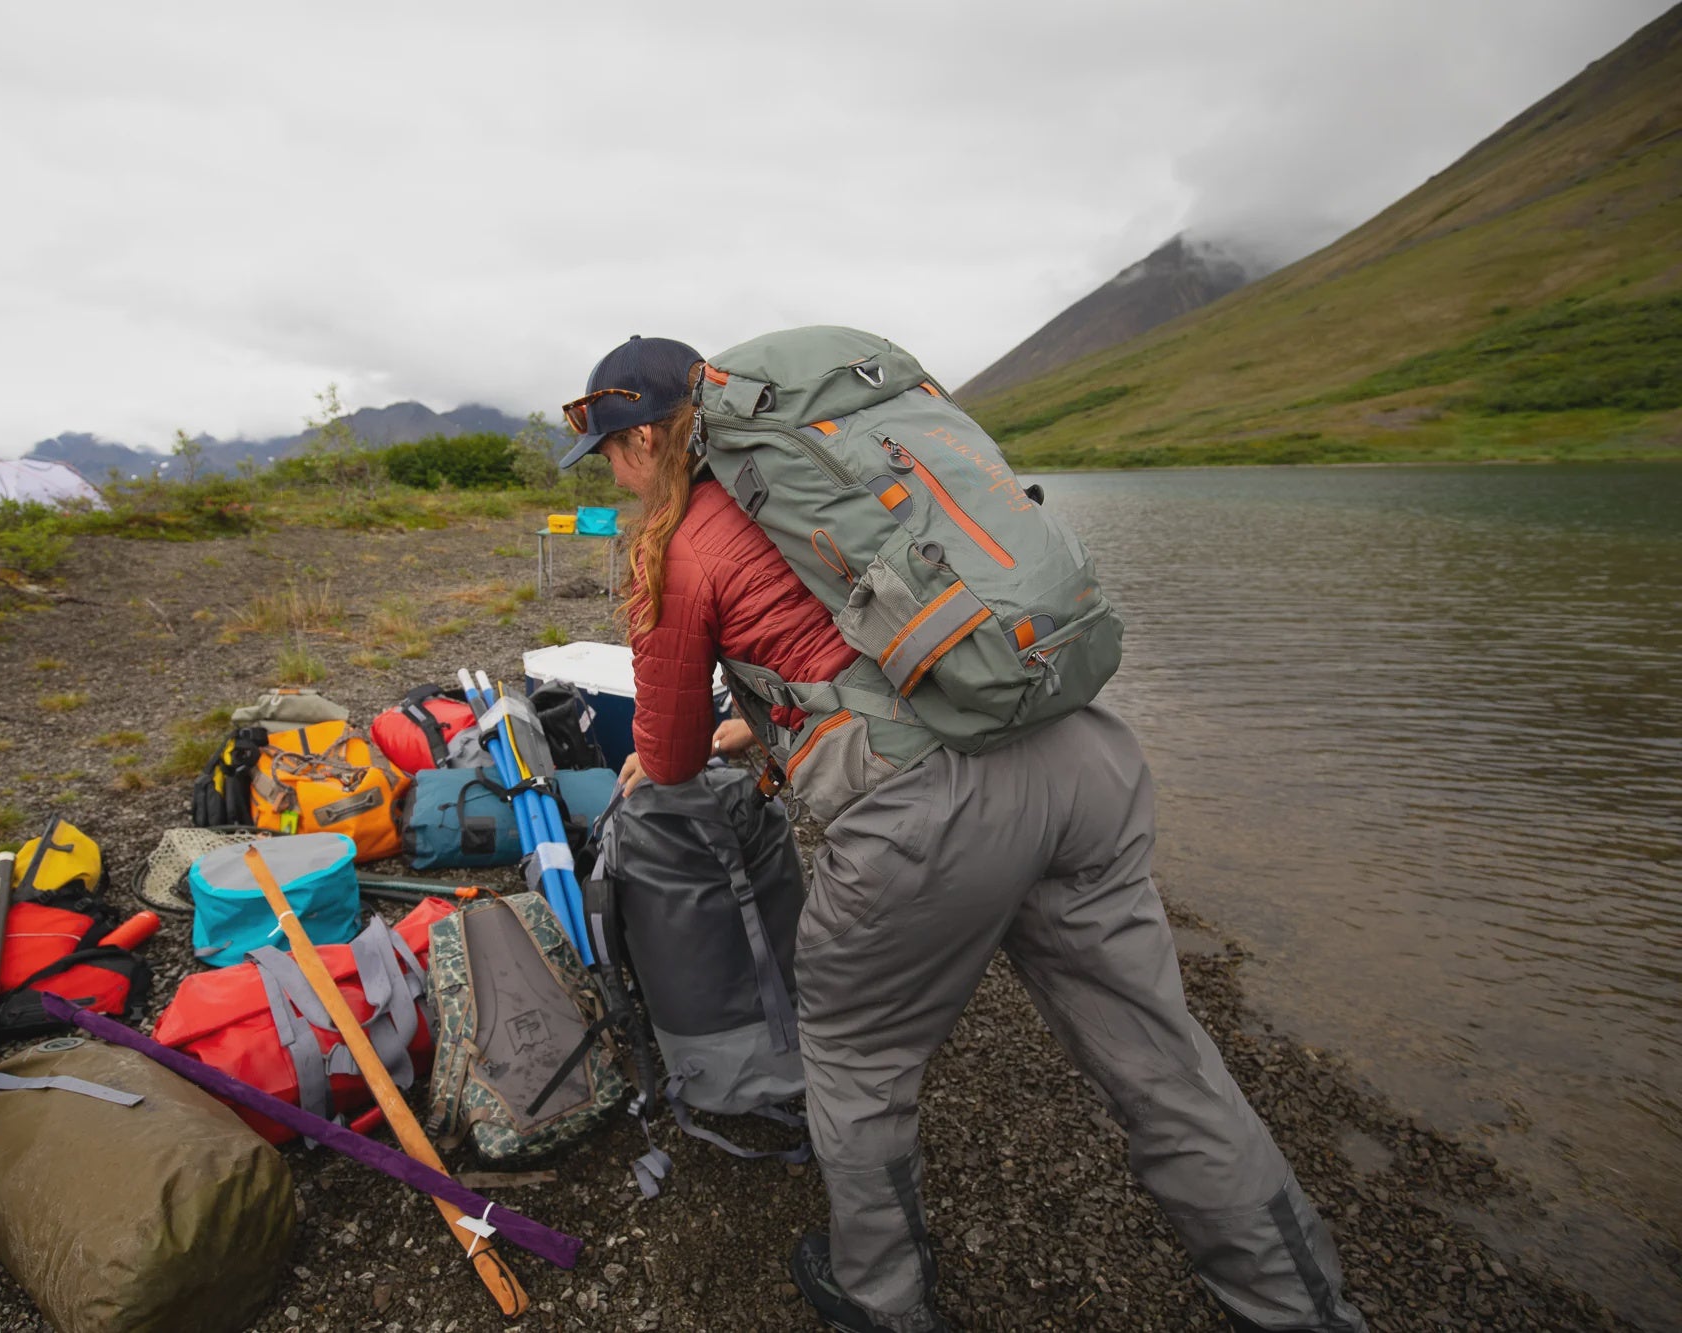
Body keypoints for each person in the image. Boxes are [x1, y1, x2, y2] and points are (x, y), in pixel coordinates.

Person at [560, 334, 1367, 1333]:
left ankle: (881, 1295)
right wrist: (758, 715)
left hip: (930, 812)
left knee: (855, 1060)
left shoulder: (679, 546)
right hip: (1079, 753)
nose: (611, 472)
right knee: (1163, 1060)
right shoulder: (840, 474)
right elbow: (867, 635)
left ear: (642, 438)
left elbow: (669, 756)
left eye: (606, 452)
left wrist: (685, 741)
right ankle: (1301, 1306)